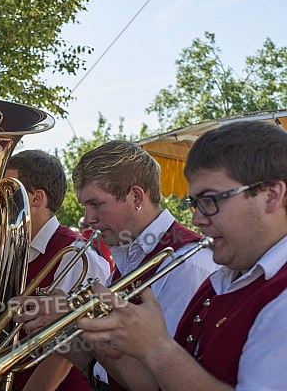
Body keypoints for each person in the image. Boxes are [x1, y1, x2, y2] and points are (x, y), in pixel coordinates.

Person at [76, 121, 287, 390]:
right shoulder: (224, 278)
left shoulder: (201, 266)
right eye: (194, 203)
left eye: (210, 200)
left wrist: (156, 349)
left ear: (271, 195)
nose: (197, 219)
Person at [14, 141, 218, 391]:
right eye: (85, 206)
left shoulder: (187, 264)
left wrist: (77, 323)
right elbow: (103, 372)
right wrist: (63, 333)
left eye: (97, 204)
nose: (88, 219)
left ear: (136, 196)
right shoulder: (128, 257)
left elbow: (162, 379)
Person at [3, 149, 112, 391]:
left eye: (7, 192)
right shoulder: (10, 249)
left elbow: (62, 356)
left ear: (36, 199)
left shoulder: (76, 255)